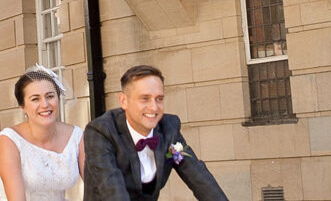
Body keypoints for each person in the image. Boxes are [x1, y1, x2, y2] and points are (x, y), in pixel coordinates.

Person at [83, 65, 227, 201]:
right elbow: (113, 191)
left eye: (159, 99)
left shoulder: (168, 129)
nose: (154, 107)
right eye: (145, 98)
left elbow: (198, 177)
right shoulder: (101, 131)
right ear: (123, 101)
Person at [0, 65, 85, 201]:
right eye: (35, 99)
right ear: (23, 107)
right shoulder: (9, 140)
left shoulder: (77, 136)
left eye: (50, 96)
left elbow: (96, 186)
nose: (45, 104)